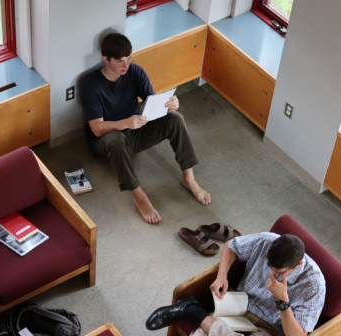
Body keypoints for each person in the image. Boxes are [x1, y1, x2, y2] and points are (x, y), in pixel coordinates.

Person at [80, 32, 211, 224]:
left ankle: (189, 179)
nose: (126, 65)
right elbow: (97, 129)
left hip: (135, 132)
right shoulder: (90, 85)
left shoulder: (135, 71)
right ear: (106, 59)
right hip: (106, 141)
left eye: (129, 59)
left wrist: (170, 105)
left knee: (175, 118)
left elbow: (154, 105)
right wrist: (125, 123)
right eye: (120, 61)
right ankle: (139, 196)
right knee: (116, 139)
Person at [145, 233, 326, 336]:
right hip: (239, 305)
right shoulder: (266, 241)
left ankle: (193, 311)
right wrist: (222, 275)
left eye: (280, 273)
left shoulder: (314, 285)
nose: (272, 274)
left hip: (269, 327)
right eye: (271, 267)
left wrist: (283, 302)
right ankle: (193, 311)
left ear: (299, 265)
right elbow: (231, 245)